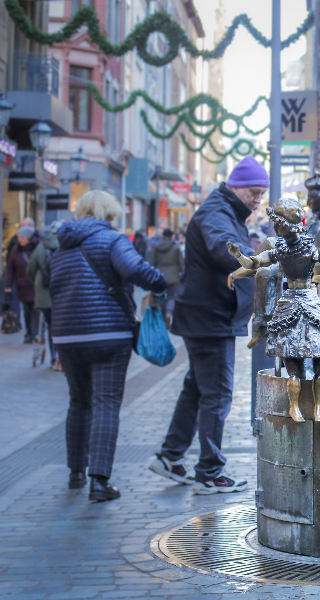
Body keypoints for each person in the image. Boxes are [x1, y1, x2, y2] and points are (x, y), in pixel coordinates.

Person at [149, 155, 266, 494]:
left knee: (197, 389)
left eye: (261, 194)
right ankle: (210, 472)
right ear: (235, 187)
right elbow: (222, 247)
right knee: (216, 394)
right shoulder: (217, 212)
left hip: (204, 315)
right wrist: (256, 259)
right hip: (209, 317)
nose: (257, 200)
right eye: (254, 193)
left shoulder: (224, 209)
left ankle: (170, 456)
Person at [50, 191, 167, 502]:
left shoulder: (61, 247)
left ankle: (75, 472)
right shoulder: (112, 240)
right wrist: (160, 281)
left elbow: (53, 291)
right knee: (106, 403)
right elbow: (136, 271)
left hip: (67, 336)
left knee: (78, 402)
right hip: (108, 333)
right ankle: (99, 481)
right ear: (108, 213)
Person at [228, 197, 320, 423]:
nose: (275, 228)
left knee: (316, 355)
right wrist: (239, 256)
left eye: (277, 224)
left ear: (285, 226)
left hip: (300, 301)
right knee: (293, 356)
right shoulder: (280, 249)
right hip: (296, 302)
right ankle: (296, 407)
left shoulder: (303, 248)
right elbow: (254, 263)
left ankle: (316, 407)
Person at [27, 220, 63, 368]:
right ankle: (61, 357)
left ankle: (53, 356)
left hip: (44, 293)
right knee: (62, 326)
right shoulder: (67, 246)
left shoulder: (41, 246)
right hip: (63, 294)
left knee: (50, 325)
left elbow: (30, 269)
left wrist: (35, 282)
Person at [4, 224, 40, 343]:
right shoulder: (15, 249)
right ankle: (29, 333)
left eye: (23, 237)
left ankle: (33, 334)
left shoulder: (37, 247)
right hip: (22, 285)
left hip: (35, 285)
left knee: (35, 310)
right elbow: (10, 268)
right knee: (27, 310)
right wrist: (8, 284)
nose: (20, 239)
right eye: (19, 237)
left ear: (29, 238)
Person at [147, 228, 184, 327]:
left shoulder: (156, 248)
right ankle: (169, 314)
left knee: (162, 298)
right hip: (174, 277)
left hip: (160, 277)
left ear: (162, 236)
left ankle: (163, 318)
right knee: (172, 297)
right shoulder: (175, 248)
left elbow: (151, 263)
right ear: (172, 237)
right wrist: (182, 273)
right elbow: (182, 263)